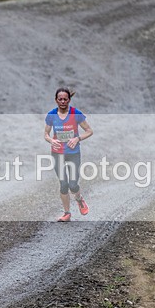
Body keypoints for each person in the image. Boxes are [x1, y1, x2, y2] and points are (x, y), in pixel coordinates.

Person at [44, 88, 93, 222]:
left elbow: (89, 131)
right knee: (63, 184)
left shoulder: (76, 114)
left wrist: (77, 138)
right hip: (57, 153)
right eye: (60, 99)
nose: (63, 101)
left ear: (69, 100)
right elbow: (46, 134)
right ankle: (67, 213)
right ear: (56, 100)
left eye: (65, 99)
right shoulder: (51, 115)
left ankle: (79, 199)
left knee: (72, 184)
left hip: (73, 153)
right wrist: (51, 140)